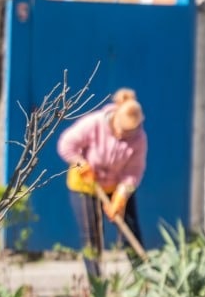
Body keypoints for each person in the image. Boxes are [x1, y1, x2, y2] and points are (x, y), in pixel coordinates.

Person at [56, 88, 148, 281]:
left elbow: (134, 171)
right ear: (115, 118)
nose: (126, 136)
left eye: (132, 132)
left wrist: (121, 195)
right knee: (92, 236)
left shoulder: (138, 138)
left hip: (115, 186)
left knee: (131, 231)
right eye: (124, 131)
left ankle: (144, 280)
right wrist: (81, 164)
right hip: (86, 185)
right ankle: (96, 285)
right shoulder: (94, 123)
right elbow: (66, 144)